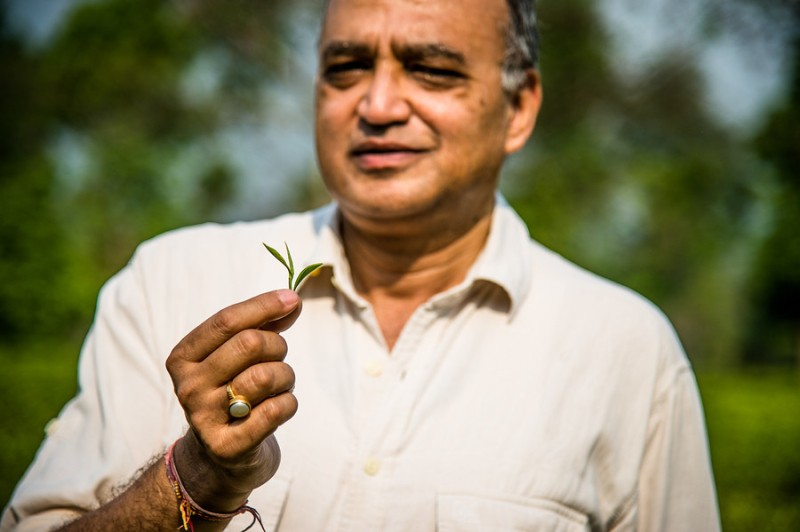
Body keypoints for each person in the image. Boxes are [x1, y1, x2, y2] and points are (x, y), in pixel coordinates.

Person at [2, 0, 721, 530]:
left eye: (430, 70)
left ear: (521, 107)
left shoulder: (625, 349)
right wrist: (195, 478)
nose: (377, 105)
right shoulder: (172, 284)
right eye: (345, 68)